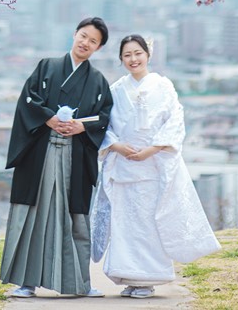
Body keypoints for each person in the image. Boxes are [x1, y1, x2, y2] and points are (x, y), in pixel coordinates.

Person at [91, 34, 221, 299]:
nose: (133, 59)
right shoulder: (116, 89)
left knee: (150, 224)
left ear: (147, 55)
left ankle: (148, 279)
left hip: (152, 165)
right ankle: (129, 276)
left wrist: (152, 149)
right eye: (127, 55)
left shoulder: (163, 86)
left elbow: (175, 120)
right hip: (125, 164)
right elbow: (105, 124)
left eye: (137, 53)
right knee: (125, 224)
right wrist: (116, 146)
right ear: (121, 59)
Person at [0, 17, 113, 298]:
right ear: (74, 35)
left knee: (73, 217)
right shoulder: (47, 67)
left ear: (98, 48)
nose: (85, 43)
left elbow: (105, 116)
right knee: (34, 214)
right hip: (40, 153)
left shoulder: (98, 81)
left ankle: (79, 283)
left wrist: (82, 126)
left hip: (74, 155)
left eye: (93, 41)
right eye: (83, 36)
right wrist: (49, 119)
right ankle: (26, 283)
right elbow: (28, 99)